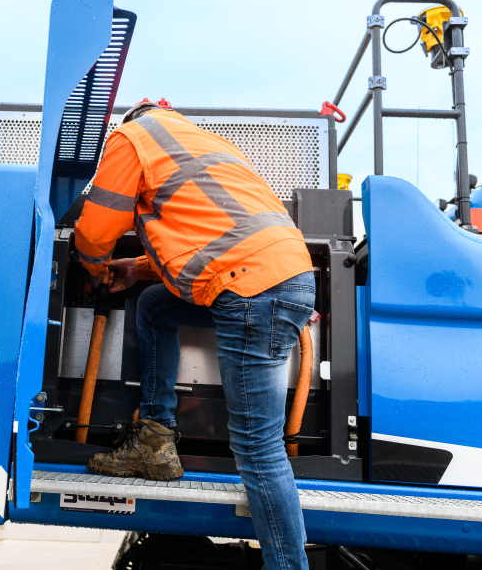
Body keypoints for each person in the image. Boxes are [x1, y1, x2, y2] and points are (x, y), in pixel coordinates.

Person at [73, 99, 314, 570]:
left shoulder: (133, 137)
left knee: (258, 448)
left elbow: (96, 230)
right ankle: (155, 440)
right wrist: (138, 267)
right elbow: (211, 236)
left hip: (252, 290)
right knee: (155, 306)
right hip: (280, 278)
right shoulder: (199, 143)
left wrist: (96, 268)